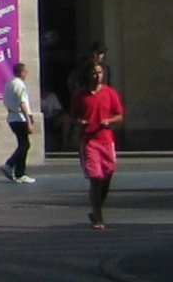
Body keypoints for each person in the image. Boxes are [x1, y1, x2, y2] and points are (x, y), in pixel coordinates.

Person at [73, 61, 124, 229]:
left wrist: (109, 121)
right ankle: (98, 216)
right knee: (96, 178)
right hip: (89, 141)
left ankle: (96, 209)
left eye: (100, 72)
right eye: (94, 73)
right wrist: (80, 121)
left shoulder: (110, 93)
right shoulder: (80, 95)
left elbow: (119, 115)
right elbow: (73, 116)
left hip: (106, 140)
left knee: (107, 176)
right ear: (88, 75)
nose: (97, 76)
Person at [1, 60, 36, 183]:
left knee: (23, 144)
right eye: (25, 71)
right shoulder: (20, 85)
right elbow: (22, 103)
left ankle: (19, 173)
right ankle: (11, 166)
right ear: (21, 72)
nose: (27, 74)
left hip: (12, 117)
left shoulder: (8, 84)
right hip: (20, 117)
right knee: (25, 145)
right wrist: (29, 121)